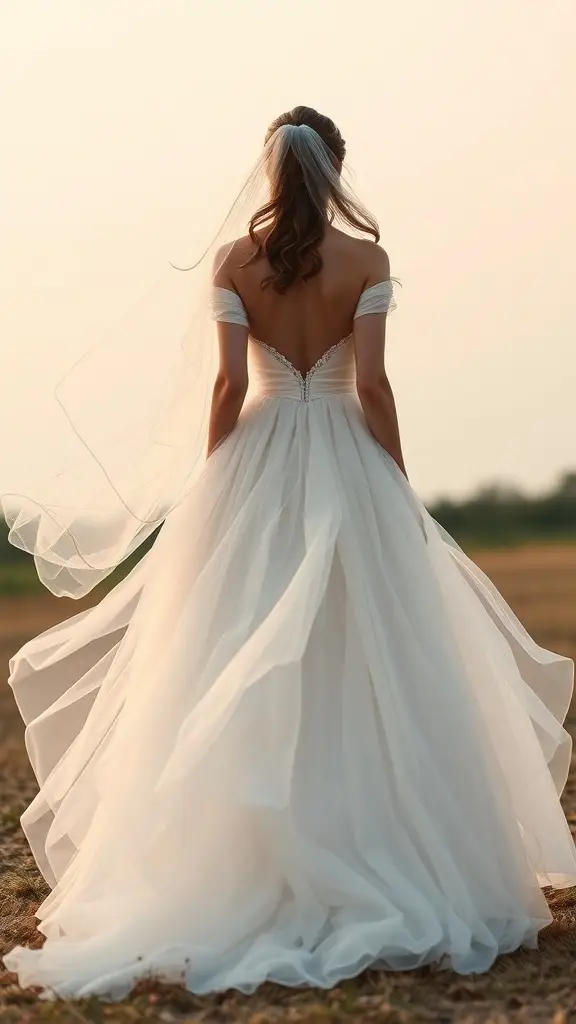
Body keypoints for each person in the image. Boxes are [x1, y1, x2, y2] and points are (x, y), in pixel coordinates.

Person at [3, 105, 576, 1001]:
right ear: (337, 168)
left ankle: (241, 848)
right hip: (346, 456)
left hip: (259, 458)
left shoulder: (237, 262)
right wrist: (395, 476)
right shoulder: (368, 261)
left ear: (269, 172)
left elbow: (231, 384)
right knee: (377, 644)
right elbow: (375, 384)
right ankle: (388, 835)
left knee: (232, 645)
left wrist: (216, 485)